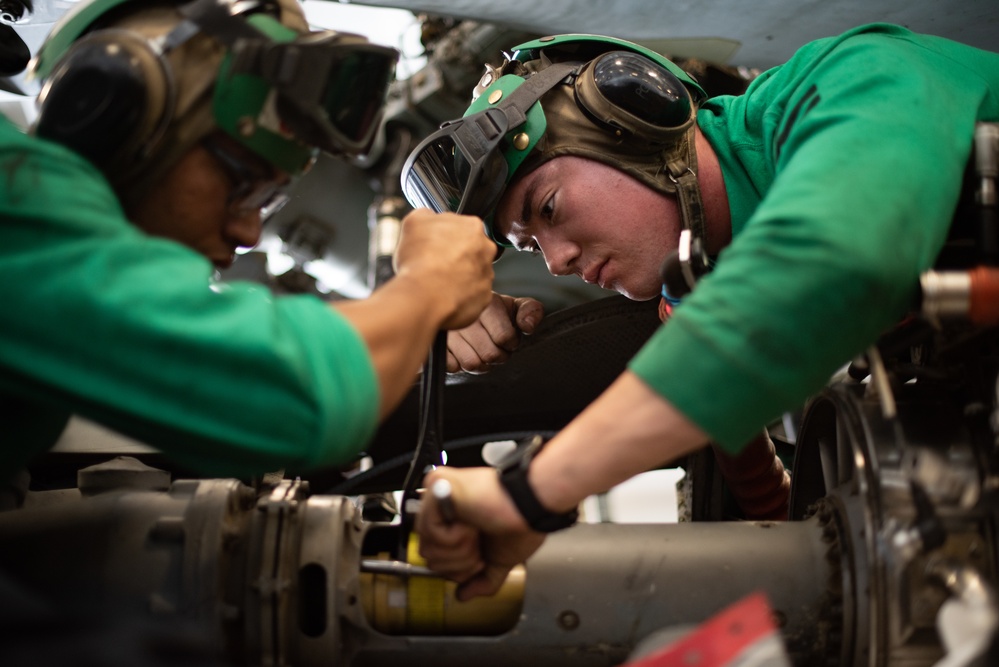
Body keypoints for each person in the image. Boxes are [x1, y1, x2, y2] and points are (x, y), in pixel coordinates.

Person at [404, 25, 999, 600]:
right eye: (530, 245)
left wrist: (530, 494)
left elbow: (832, 263)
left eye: (550, 208)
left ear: (637, 116)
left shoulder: (857, 76)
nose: (556, 263)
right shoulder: (696, 291)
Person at [0, 0, 497, 484]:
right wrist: (428, 286)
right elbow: (286, 398)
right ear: (112, 112)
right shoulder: (14, 196)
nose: (249, 232)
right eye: (243, 184)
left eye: (269, 200)